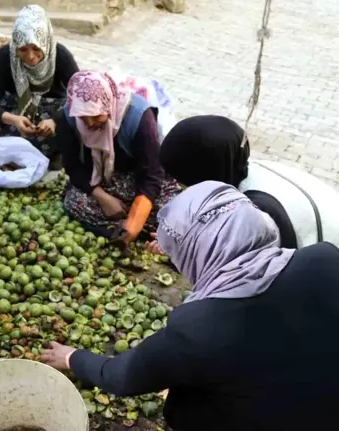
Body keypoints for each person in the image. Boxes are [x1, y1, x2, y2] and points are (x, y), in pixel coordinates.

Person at [42, 181, 339, 431]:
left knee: (182, 407)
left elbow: (123, 376)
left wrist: (72, 357)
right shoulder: (324, 258)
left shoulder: (199, 326)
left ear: (195, 250)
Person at [159, 115, 339, 248]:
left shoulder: (256, 213)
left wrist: (182, 252)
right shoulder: (241, 166)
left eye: (186, 180)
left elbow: (258, 277)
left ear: (203, 175)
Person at [57, 70, 181, 242]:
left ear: (108, 103)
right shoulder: (69, 117)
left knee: (172, 210)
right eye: (83, 116)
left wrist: (134, 222)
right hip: (102, 180)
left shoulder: (138, 117)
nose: (90, 123)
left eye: (96, 115)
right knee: (74, 202)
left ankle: (128, 230)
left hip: (137, 178)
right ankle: (128, 231)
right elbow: (72, 166)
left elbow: (152, 175)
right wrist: (103, 198)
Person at [0, 4, 79, 166]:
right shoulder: (4, 57)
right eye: (23, 49)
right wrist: (13, 120)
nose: (30, 57)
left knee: (78, 115)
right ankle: (37, 151)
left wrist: (55, 121)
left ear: (45, 42)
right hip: (16, 110)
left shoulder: (60, 56)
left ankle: (50, 151)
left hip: (50, 112)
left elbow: (80, 96)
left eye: (36, 48)